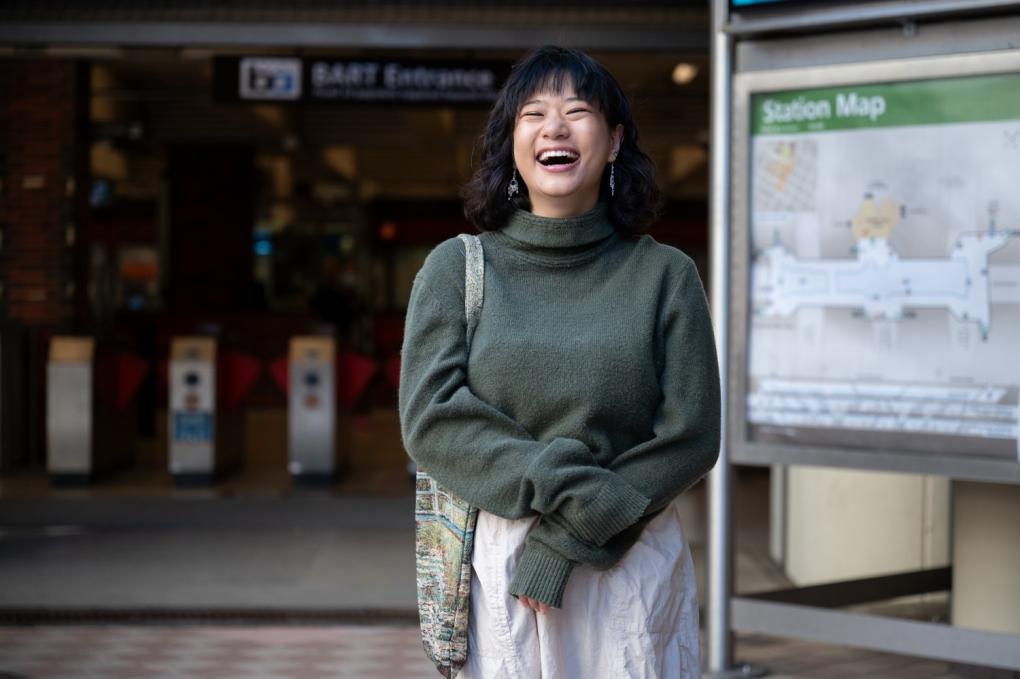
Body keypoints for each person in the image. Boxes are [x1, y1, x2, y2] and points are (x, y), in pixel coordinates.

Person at [399, 45, 720, 678]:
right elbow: (432, 421)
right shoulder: (457, 269)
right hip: (501, 560)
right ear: (513, 143)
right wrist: (573, 493)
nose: (556, 127)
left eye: (578, 111)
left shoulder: (664, 275)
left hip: (631, 558)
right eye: (533, 114)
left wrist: (569, 538)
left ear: (614, 140)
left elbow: (691, 436)